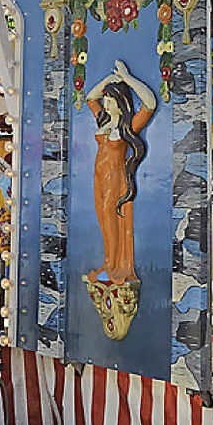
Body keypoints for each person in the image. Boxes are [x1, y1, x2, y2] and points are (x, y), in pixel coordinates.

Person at [85, 60, 156, 286]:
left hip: (116, 179)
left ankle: (113, 265)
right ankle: (108, 262)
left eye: (110, 99)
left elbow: (149, 103)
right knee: (102, 220)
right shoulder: (103, 121)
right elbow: (90, 98)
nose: (105, 103)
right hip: (99, 178)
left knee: (112, 218)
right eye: (106, 99)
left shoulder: (128, 127)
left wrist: (127, 79)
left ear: (121, 102)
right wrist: (107, 80)